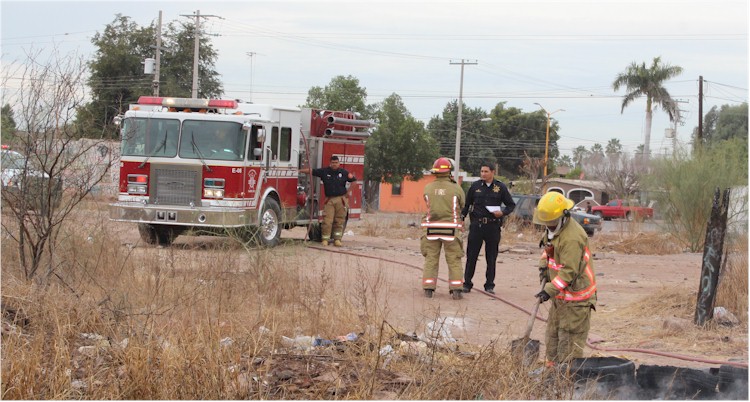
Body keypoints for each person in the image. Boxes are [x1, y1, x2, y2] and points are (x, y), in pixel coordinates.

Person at [533, 192, 597, 367]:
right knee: (552, 340)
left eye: (552, 222)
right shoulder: (553, 229)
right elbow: (548, 251)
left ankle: (566, 383)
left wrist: (548, 290)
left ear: (564, 215)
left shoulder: (572, 238)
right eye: (547, 223)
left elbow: (569, 272)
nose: (549, 226)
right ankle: (551, 378)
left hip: (576, 299)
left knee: (568, 345)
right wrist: (543, 268)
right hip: (560, 298)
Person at [461, 163, 515, 294]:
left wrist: (502, 212)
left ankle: (489, 285)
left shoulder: (500, 187)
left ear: (492, 172)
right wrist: (461, 218)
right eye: (481, 171)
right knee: (471, 256)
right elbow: (467, 205)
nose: (483, 174)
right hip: (476, 226)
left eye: (486, 171)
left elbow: (510, 205)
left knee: (491, 257)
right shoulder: (475, 186)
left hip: (493, 226)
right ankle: (467, 283)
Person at [421, 157, 466, 300]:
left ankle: (428, 288)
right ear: (449, 172)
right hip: (451, 230)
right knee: (454, 260)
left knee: (431, 259)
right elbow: (462, 204)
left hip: (431, 229)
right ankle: (456, 290)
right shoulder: (456, 188)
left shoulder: (428, 187)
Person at [304, 155, 356, 246]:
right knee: (327, 220)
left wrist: (348, 193)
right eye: (333, 163)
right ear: (330, 163)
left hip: (341, 199)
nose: (334, 164)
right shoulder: (325, 171)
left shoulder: (343, 172)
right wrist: (299, 170)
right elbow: (312, 171)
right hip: (330, 200)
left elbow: (354, 181)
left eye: (336, 163)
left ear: (339, 163)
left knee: (339, 221)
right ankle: (325, 239)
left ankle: (337, 239)